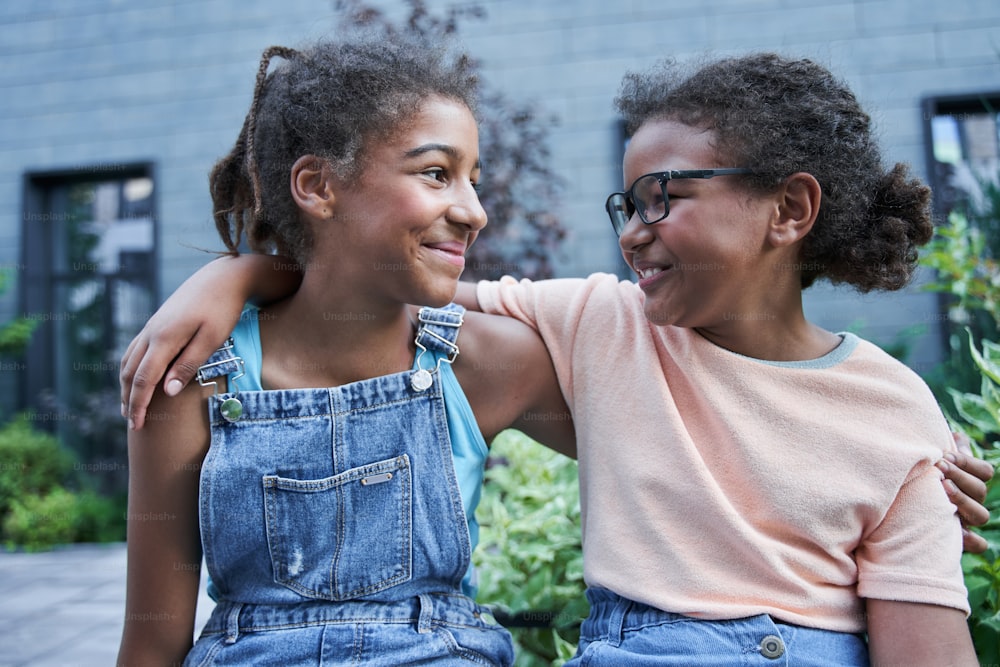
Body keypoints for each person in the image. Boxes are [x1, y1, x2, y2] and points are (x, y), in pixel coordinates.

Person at [118, 53, 994, 665]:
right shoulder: (603, 326)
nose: (631, 229)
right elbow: (367, 282)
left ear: (789, 209)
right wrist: (233, 274)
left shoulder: (893, 409)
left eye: (665, 196)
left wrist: (913, 451)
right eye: (628, 201)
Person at [116, 34, 575, 667]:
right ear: (318, 186)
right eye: (437, 173)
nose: (474, 211)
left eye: (473, 179)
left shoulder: (488, 362)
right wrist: (240, 274)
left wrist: (241, 272)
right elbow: (152, 642)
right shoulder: (194, 379)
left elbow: (667, 442)